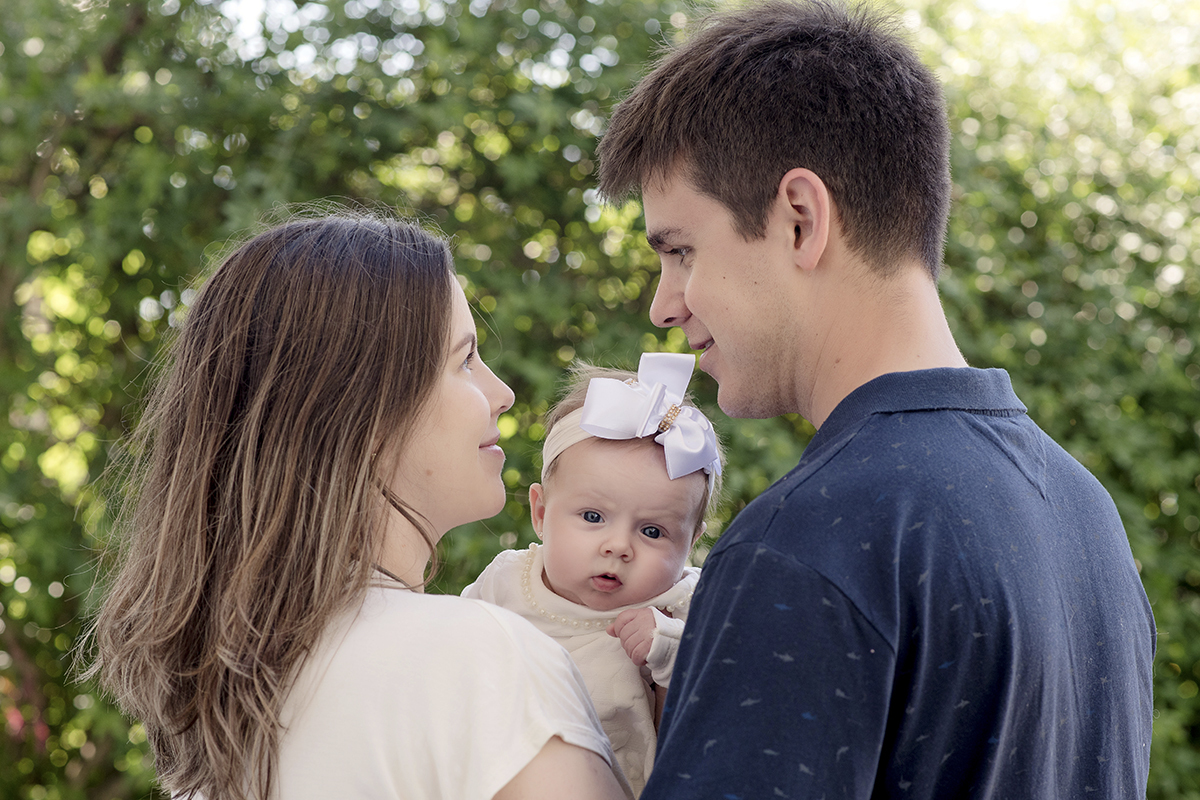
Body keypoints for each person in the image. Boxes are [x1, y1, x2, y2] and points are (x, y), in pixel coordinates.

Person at [595, 1, 1157, 798]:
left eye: (682, 251)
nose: (664, 302)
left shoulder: (812, 540)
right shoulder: (1085, 512)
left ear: (800, 219)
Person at [81, 211, 633, 800]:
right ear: (365, 412)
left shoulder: (233, 716)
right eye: (464, 360)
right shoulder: (478, 662)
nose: (503, 393)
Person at [463, 352, 723, 796]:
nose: (618, 546)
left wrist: (671, 657)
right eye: (592, 516)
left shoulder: (684, 610)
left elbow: (708, 741)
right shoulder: (507, 581)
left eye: (653, 530)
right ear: (541, 512)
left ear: (692, 542)